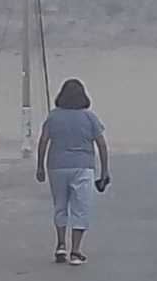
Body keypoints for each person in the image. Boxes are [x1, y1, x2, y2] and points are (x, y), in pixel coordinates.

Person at [39, 78, 110, 265]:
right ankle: (76, 251)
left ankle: (61, 245)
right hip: (83, 167)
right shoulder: (89, 117)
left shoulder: (53, 117)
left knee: (60, 205)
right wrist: (105, 171)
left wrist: (40, 166)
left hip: (57, 166)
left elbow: (43, 141)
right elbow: (101, 144)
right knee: (81, 208)